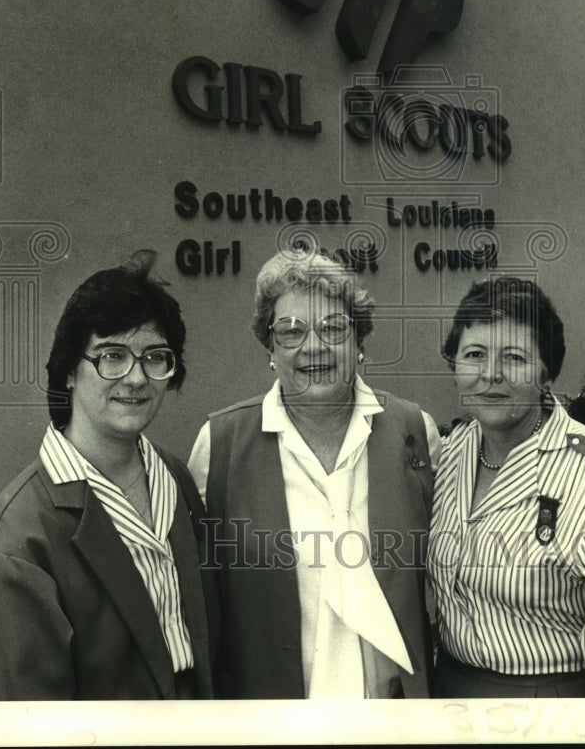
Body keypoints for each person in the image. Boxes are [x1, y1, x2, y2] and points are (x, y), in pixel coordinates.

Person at [0, 252, 219, 700]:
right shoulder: (18, 538)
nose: (136, 378)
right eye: (112, 356)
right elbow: (25, 723)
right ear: (68, 371)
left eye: (155, 357)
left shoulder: (174, 478)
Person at [188, 246, 442, 698]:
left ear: (359, 342)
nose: (314, 347)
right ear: (269, 347)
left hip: (395, 715)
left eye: (333, 328)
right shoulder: (221, 443)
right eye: (291, 331)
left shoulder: (413, 431)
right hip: (273, 718)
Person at [427, 276, 585, 698]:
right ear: (454, 365)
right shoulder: (448, 455)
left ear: (547, 373)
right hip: (446, 696)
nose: (490, 375)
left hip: (549, 713)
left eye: (514, 357)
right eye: (474, 354)